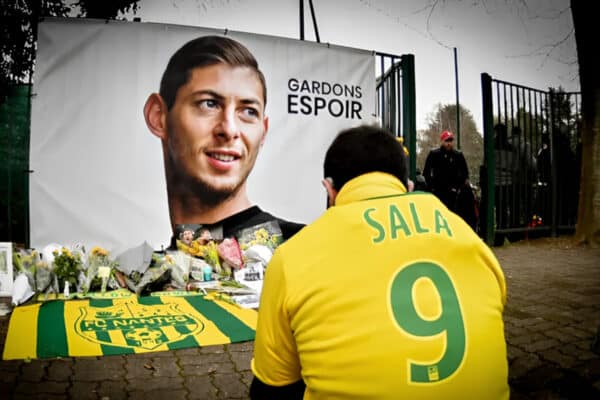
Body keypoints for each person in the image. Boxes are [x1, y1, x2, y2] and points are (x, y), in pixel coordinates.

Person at [250, 124, 509, 399]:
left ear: (329, 189)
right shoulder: (468, 238)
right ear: (408, 187)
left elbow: (271, 387)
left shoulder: (292, 257)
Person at [144, 35, 304, 245]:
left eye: (248, 111)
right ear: (158, 116)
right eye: (208, 104)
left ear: (263, 132)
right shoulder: (149, 271)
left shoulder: (305, 248)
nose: (229, 129)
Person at [422, 130, 475, 228]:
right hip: (438, 190)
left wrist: (460, 185)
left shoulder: (458, 155)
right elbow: (426, 172)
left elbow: (465, 172)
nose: (449, 143)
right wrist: (431, 187)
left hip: (454, 191)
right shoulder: (434, 154)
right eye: (447, 141)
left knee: (454, 213)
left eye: (450, 141)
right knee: (439, 213)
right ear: (442, 141)